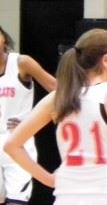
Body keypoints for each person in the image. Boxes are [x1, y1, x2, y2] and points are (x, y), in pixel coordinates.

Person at [4, 28, 107, 205]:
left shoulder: (58, 97)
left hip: (67, 194)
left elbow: (12, 145)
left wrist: (49, 179)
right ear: (106, 60)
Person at [0, 26, 57, 205]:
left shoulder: (21, 62)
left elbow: (58, 90)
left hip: (16, 140)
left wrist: (34, 121)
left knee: (16, 201)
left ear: (4, 38)